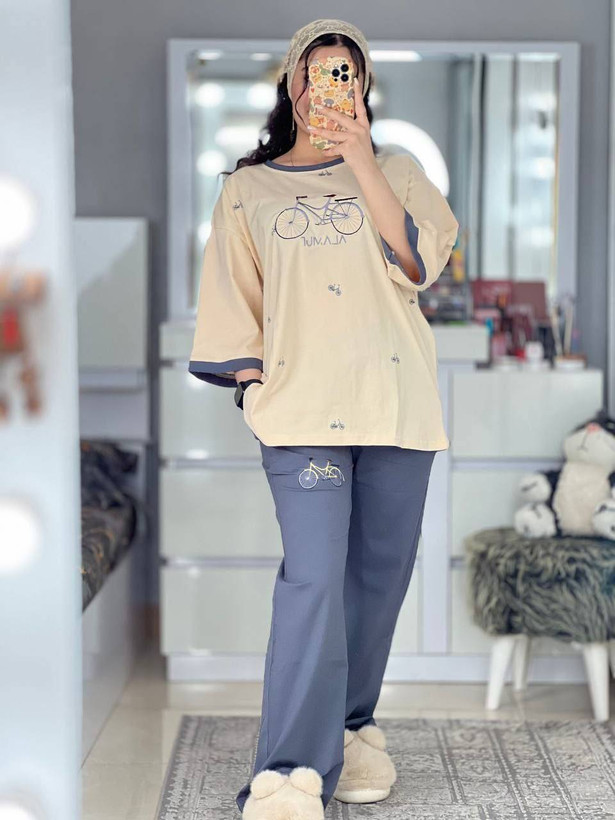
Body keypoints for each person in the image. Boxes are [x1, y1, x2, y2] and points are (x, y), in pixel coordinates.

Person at [188, 18, 459, 820]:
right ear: (291, 84)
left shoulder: (398, 171)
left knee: (377, 579)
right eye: (316, 71)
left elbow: (417, 264)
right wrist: (251, 387)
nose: (329, 86)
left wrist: (362, 158)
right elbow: (231, 296)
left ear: (363, 88)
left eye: (345, 72)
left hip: (395, 404)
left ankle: (352, 725)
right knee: (311, 580)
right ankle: (288, 770)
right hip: (301, 411)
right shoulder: (248, 189)